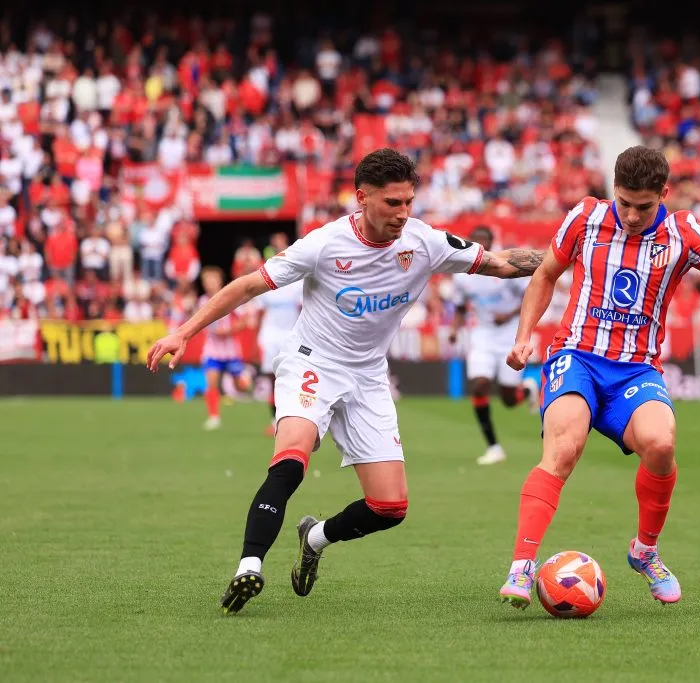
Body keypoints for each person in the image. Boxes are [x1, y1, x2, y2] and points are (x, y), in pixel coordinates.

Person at [146, 148, 544, 615]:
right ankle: (249, 566)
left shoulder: (426, 242)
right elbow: (249, 285)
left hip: (368, 376)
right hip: (312, 361)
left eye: (408, 201)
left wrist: (567, 255)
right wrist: (183, 332)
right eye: (392, 203)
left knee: (389, 508)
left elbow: (502, 262)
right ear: (362, 198)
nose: (403, 213)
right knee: (291, 459)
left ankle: (314, 537)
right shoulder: (324, 244)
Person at [498, 145, 700, 609]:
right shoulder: (584, 218)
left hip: (636, 370)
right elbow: (545, 275)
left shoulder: (683, 231)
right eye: (623, 202)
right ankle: (521, 566)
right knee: (564, 448)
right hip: (576, 356)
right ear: (613, 191)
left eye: (643, 206)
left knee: (661, 445)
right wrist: (525, 336)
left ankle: (645, 550)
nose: (632, 214)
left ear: (663, 194)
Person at [449, 225, 540, 466]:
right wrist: (454, 329)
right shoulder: (462, 273)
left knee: (509, 399)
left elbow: (528, 295)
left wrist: (508, 315)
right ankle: (493, 447)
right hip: (482, 334)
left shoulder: (504, 265)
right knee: (479, 385)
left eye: (484, 241)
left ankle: (527, 391)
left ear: (491, 243)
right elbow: (460, 306)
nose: (481, 245)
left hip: (510, 333)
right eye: (476, 241)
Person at [197, 266, 253, 430]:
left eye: (212, 281)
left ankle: (247, 380)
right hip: (213, 350)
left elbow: (245, 319)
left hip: (230, 350)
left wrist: (229, 330)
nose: (209, 284)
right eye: (206, 281)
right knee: (212, 383)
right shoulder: (202, 301)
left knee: (240, 386)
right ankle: (214, 417)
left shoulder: (230, 297)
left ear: (219, 281)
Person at [253, 269, 303, 436]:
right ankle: (275, 422)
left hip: (291, 334)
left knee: (293, 378)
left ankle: (296, 420)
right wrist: (256, 337)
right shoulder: (266, 283)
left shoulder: (298, 283)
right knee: (272, 379)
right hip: (270, 335)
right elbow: (259, 312)